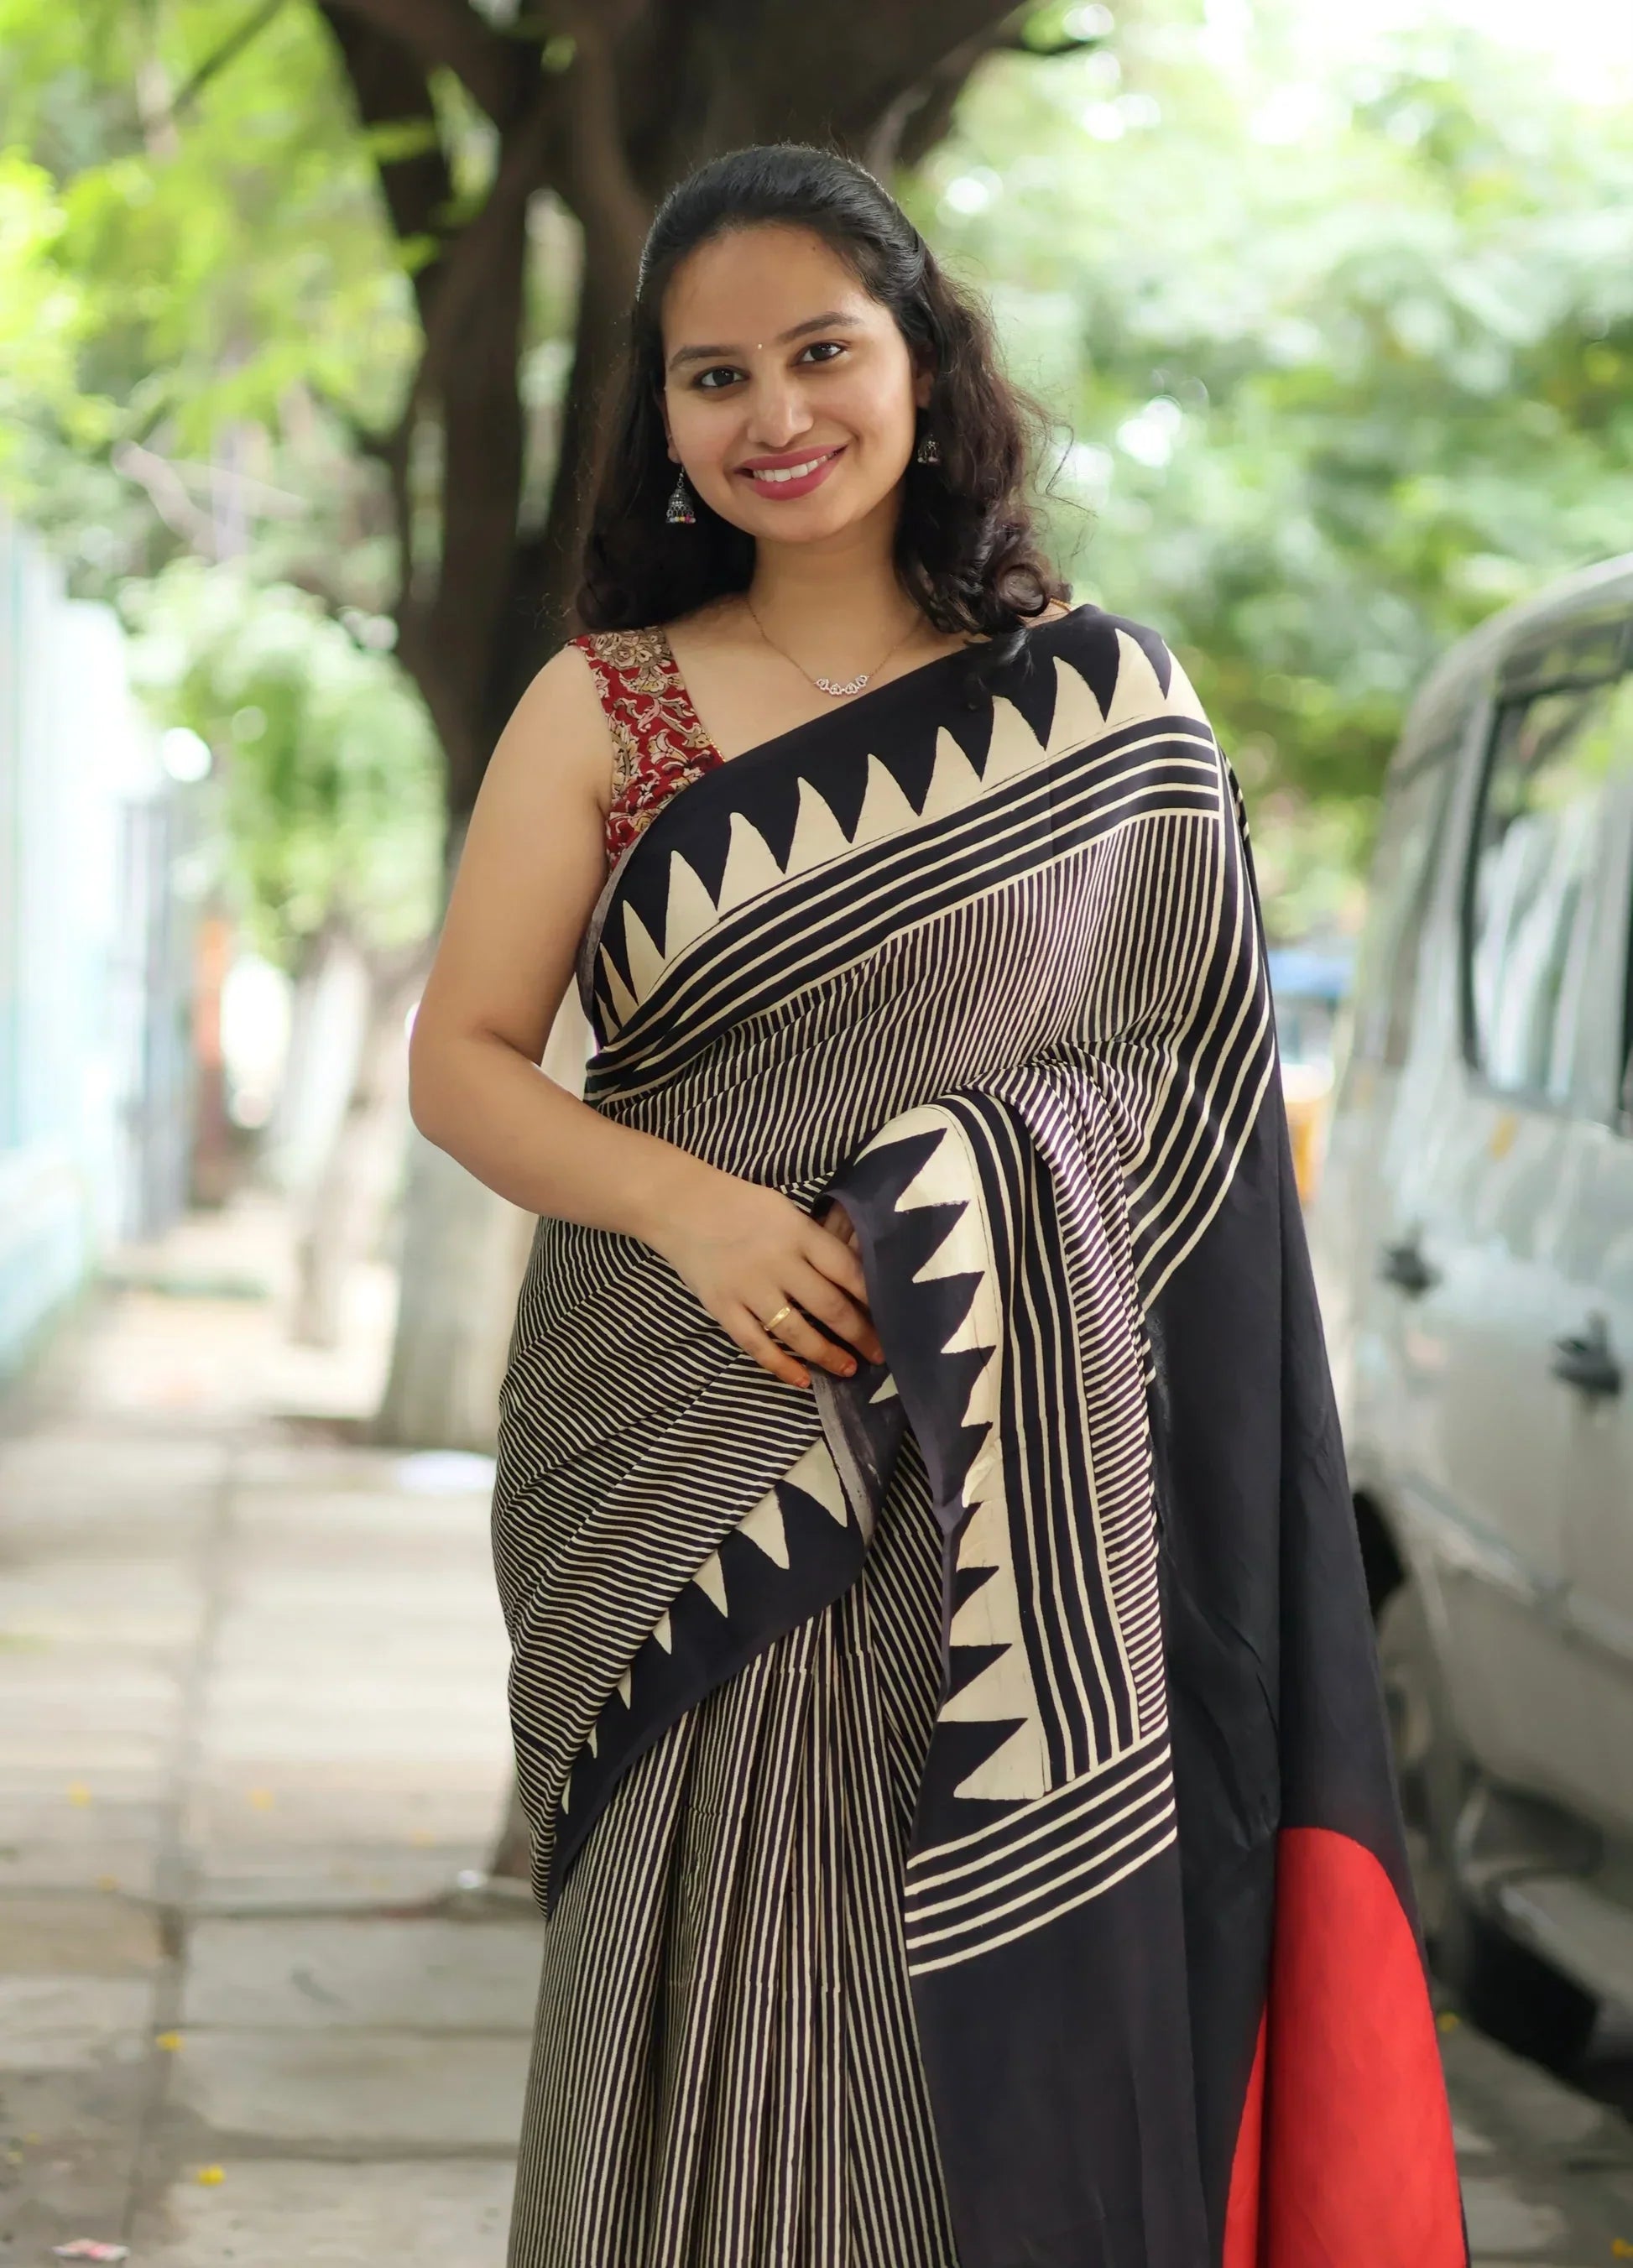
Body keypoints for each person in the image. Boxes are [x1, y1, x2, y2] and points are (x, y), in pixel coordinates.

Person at [409, 144, 1465, 2268]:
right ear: (662, 413)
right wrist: (701, 1212)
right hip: (686, 1437)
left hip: (1014, 1472)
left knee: (929, 2044)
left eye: (823, 352)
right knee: (693, 1998)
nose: (775, 415)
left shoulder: (1104, 711)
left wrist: (960, 1201)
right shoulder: (609, 703)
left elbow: (1185, 1096)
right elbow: (466, 1058)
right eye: (715, 375)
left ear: (920, 361)